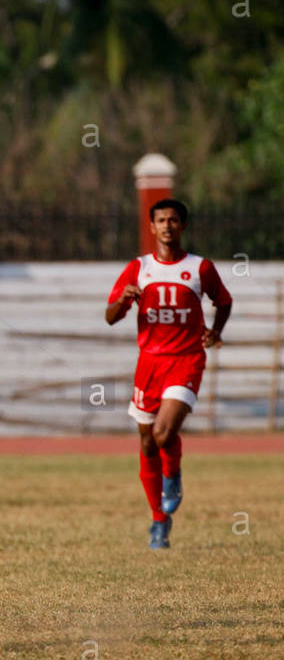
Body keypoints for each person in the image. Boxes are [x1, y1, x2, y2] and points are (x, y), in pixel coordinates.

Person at [105, 198, 232, 549]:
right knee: (146, 441)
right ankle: (159, 521)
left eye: (173, 220)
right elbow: (110, 317)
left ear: (183, 226)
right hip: (149, 363)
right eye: (161, 220)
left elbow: (223, 300)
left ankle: (172, 474)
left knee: (163, 433)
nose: (167, 226)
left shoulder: (199, 268)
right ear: (151, 227)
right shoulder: (139, 268)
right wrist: (123, 301)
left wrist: (215, 330)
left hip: (186, 360)